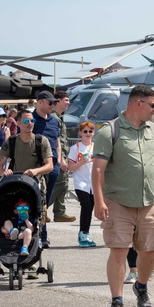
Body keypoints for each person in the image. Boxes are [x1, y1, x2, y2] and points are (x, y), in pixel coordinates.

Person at [92, 85, 154, 307]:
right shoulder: (110, 131)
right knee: (119, 251)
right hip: (118, 202)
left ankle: (141, 286)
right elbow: (98, 170)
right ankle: (117, 300)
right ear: (137, 104)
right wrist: (99, 201)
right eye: (152, 105)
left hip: (149, 202)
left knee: (149, 252)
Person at [0, 109, 54, 278]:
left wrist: (35, 171)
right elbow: (0, 165)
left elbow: (49, 165)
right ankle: (12, 254)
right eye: (26, 121)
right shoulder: (11, 142)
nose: (30, 124)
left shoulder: (41, 141)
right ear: (19, 123)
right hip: (14, 185)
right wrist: (4, 172)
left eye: (32, 121)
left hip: (36, 187)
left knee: (36, 222)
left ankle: (33, 261)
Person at [32, 90, 63, 245]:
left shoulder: (54, 121)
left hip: (52, 166)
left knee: (45, 203)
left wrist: (60, 160)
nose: (53, 105)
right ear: (40, 103)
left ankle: (42, 236)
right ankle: (37, 235)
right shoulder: (30, 119)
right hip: (36, 167)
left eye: (54, 103)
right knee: (35, 201)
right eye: (50, 102)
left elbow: (57, 142)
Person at [67, 121, 97, 248]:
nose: (88, 134)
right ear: (80, 133)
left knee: (90, 208)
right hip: (81, 182)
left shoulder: (96, 147)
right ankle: (83, 233)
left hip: (94, 182)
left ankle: (86, 233)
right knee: (86, 205)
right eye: (85, 131)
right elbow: (70, 167)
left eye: (90, 131)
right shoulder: (75, 148)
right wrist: (81, 162)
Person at [51, 90, 76, 224]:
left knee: (64, 184)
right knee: (59, 183)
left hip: (63, 155)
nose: (68, 103)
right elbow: (56, 141)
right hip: (58, 156)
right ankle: (42, 208)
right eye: (66, 100)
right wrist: (60, 159)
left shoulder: (59, 117)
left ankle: (59, 212)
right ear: (58, 101)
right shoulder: (54, 118)